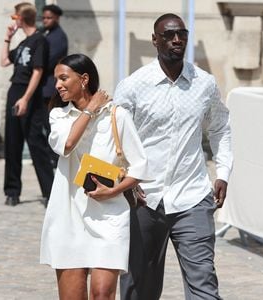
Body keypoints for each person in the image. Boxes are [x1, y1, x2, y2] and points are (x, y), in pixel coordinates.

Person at [114, 13, 233, 300]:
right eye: (168, 35)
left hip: (192, 196)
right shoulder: (133, 86)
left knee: (203, 283)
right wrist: (123, 177)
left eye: (181, 33)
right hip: (144, 199)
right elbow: (113, 138)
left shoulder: (203, 84)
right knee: (138, 286)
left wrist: (223, 172)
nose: (176, 39)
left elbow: (221, 128)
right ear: (155, 40)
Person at [40, 54, 149, 300]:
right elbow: (67, 145)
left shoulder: (117, 115)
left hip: (109, 216)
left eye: (63, 78)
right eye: (56, 79)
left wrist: (113, 191)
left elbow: (140, 166)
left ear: (84, 79)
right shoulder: (58, 116)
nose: (57, 85)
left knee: (102, 294)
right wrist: (90, 109)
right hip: (69, 215)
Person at [0, 2, 54, 206]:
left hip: (28, 94)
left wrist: (25, 98)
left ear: (22, 18)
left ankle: (49, 192)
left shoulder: (40, 40)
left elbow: (38, 71)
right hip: (15, 90)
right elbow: (4, 61)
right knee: (12, 144)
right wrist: (8, 37)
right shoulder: (23, 42)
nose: (13, 21)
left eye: (15, 18)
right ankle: (12, 191)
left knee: (35, 143)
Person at [41, 4, 68, 168]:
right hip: (44, 88)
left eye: (49, 17)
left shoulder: (58, 37)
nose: (45, 20)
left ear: (57, 18)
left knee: (51, 125)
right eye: (44, 17)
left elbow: (49, 61)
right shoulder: (48, 34)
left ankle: (55, 158)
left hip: (50, 89)